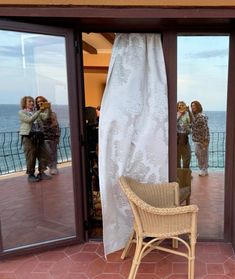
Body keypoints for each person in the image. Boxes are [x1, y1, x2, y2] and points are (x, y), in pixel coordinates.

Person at [19, 96, 52, 182]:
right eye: (29, 101)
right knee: (31, 156)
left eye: (32, 101)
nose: (32, 103)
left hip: (39, 136)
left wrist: (48, 108)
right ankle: (31, 175)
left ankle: (42, 172)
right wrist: (39, 111)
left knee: (44, 154)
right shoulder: (21, 112)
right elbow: (29, 120)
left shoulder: (35, 112)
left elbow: (45, 117)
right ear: (24, 103)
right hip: (28, 137)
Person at [35, 96, 60, 175]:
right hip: (43, 137)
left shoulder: (52, 113)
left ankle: (53, 167)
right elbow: (37, 126)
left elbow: (56, 125)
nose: (40, 103)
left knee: (54, 152)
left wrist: (57, 136)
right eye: (38, 102)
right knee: (47, 153)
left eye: (41, 101)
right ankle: (49, 166)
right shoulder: (37, 114)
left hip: (52, 136)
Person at [191, 100, 210, 177]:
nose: (193, 107)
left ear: (198, 106)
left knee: (204, 155)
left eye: (194, 106)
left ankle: (204, 170)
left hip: (203, 139)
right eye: (192, 106)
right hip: (196, 139)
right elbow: (193, 126)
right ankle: (203, 168)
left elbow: (205, 128)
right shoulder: (194, 116)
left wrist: (205, 140)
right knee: (197, 153)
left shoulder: (202, 116)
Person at [177, 101, 191, 168]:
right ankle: (178, 173)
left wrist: (188, 129)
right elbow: (173, 123)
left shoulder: (187, 113)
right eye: (180, 105)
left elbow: (190, 123)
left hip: (185, 137)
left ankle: (185, 173)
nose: (181, 107)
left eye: (183, 105)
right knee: (177, 157)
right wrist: (180, 115)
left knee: (187, 156)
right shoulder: (176, 113)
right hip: (177, 137)